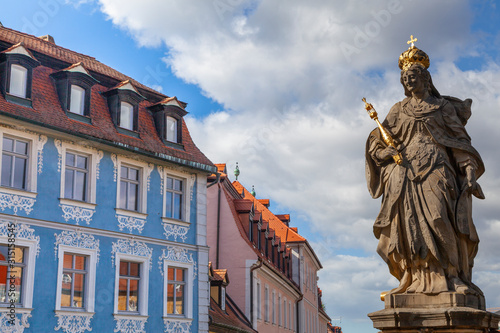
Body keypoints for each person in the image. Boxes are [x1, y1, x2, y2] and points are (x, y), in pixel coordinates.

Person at [365, 40, 485, 295]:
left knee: (439, 217)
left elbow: (460, 141)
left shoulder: (442, 108)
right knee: (408, 227)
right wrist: (384, 151)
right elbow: (379, 138)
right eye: (404, 77)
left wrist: (470, 172)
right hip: (405, 173)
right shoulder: (398, 110)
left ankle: (452, 276)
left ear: (425, 78)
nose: (408, 80)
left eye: (412, 75)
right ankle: (415, 277)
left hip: (437, 167)